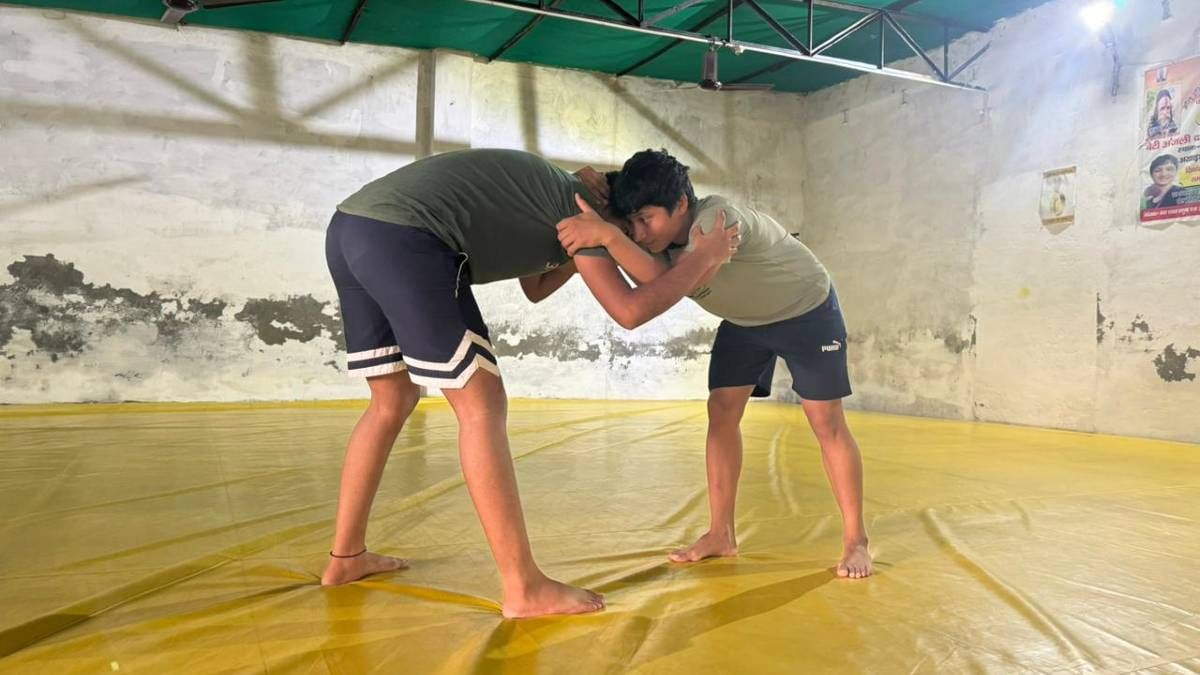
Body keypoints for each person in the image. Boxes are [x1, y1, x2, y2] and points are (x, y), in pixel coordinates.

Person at [322, 148, 740, 618]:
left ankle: (346, 557)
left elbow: (534, 288)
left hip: (350, 228)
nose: (640, 242)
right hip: (406, 236)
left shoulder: (565, 201)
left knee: (391, 399)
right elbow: (631, 310)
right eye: (635, 227)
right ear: (618, 212)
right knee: (482, 404)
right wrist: (701, 255)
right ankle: (523, 587)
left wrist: (597, 243)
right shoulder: (589, 212)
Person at [556, 149, 873, 579]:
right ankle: (720, 533)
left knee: (825, 421)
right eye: (631, 223)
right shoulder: (662, 246)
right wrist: (596, 198)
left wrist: (609, 238)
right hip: (745, 321)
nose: (639, 232)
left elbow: (670, 279)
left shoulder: (716, 222)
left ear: (681, 204)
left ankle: (857, 541)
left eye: (647, 219)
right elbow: (657, 273)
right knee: (721, 413)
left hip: (806, 310)